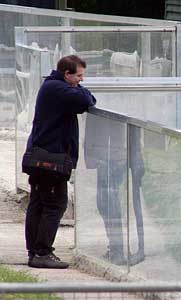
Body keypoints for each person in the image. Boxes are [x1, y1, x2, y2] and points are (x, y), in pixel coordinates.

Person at [25, 55, 96, 269]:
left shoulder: (53, 87)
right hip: (51, 160)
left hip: (42, 156)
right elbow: (86, 100)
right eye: (79, 76)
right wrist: (81, 91)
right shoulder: (57, 89)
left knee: (38, 203)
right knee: (55, 204)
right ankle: (42, 252)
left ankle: (35, 251)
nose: (81, 81)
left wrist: (77, 88)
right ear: (67, 74)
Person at [84, 118, 145, 266]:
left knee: (109, 201)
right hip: (109, 153)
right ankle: (116, 248)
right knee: (105, 202)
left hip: (115, 154)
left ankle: (119, 250)